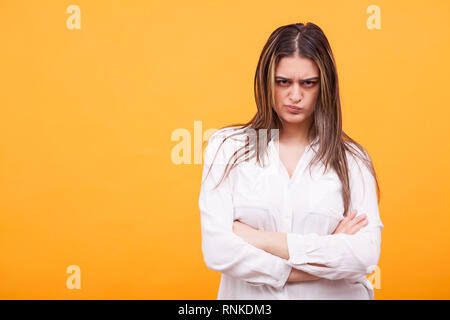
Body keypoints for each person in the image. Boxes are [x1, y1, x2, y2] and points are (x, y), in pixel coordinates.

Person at [198, 22, 384, 300]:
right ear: (266, 79)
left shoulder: (352, 161)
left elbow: (365, 255)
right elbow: (218, 250)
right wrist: (327, 253)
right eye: (283, 82)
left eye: (308, 83)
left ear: (325, 86)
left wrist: (260, 239)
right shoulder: (227, 148)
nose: (295, 95)